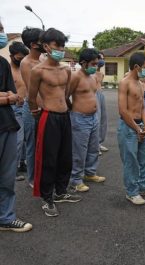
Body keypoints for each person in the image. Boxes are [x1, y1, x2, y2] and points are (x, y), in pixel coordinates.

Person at [29, 28, 81, 217]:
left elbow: (65, 94)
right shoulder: (38, 70)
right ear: (46, 47)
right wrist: (36, 113)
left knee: (65, 157)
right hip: (48, 116)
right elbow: (31, 97)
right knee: (48, 159)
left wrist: (68, 109)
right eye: (56, 45)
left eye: (62, 45)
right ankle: (47, 198)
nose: (60, 49)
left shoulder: (66, 69)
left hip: (64, 116)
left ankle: (61, 191)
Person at [0, 20, 32, 232]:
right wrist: (6, 98)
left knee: (7, 176)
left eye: (1, 30)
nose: (1, 34)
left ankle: (5, 217)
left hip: (7, 124)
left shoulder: (2, 64)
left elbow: (13, 95)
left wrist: (6, 97)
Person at [117, 52, 145, 205]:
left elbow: (142, 108)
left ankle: (144, 186)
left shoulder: (142, 83)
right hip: (128, 127)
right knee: (131, 161)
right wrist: (136, 128)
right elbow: (123, 110)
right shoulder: (125, 83)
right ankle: (132, 192)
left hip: (140, 126)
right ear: (136, 67)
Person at [69, 48, 106, 192]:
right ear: (83, 63)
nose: (95, 66)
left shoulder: (94, 77)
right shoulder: (75, 77)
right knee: (79, 151)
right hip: (80, 118)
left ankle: (90, 173)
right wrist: (73, 109)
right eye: (93, 63)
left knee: (93, 147)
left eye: (96, 63)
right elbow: (66, 95)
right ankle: (76, 179)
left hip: (93, 117)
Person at [20, 27, 45, 188]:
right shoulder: (26, 63)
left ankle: (43, 175)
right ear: (33, 44)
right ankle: (32, 179)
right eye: (42, 40)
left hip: (46, 109)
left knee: (44, 145)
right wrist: (36, 109)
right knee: (32, 146)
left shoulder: (43, 59)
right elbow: (32, 91)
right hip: (32, 109)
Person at [8, 41, 29, 181]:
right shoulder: (7, 70)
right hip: (14, 108)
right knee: (17, 140)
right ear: (12, 56)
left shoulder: (24, 69)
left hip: (26, 107)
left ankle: (22, 163)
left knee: (26, 140)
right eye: (19, 57)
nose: (21, 60)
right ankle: (11, 170)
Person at [94, 52, 108, 154]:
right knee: (97, 120)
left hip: (101, 94)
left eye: (103, 58)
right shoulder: (91, 72)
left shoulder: (101, 74)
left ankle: (99, 143)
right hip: (93, 95)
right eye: (100, 58)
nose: (102, 60)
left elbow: (100, 85)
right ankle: (94, 146)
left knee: (103, 119)